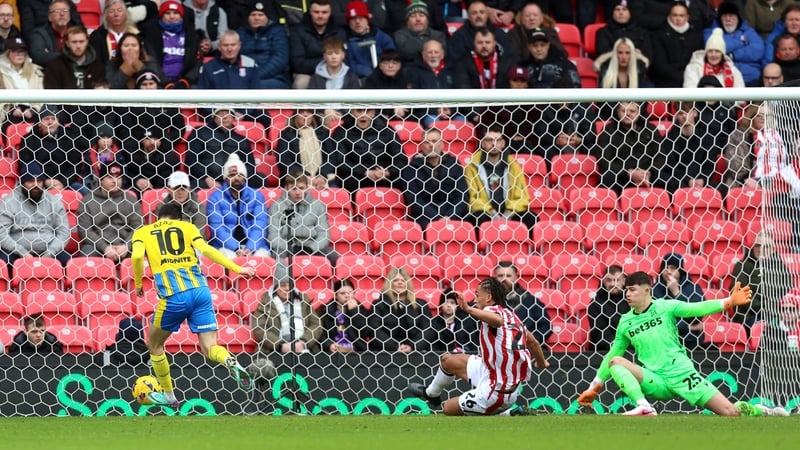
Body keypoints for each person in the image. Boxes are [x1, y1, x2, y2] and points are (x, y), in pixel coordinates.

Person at [576, 271, 789, 416]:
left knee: (730, 413)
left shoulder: (666, 307)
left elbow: (696, 308)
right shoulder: (625, 321)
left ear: (646, 290)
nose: (627, 294)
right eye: (627, 290)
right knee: (616, 361)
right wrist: (595, 386)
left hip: (682, 374)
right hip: (656, 380)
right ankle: (643, 407)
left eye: (632, 289)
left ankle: (759, 410)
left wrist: (729, 302)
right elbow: (613, 352)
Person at [131, 202, 257, 407]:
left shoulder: (143, 232)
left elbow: (136, 256)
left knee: (154, 345)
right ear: (179, 219)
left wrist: (138, 284)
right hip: (201, 292)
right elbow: (207, 250)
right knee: (209, 347)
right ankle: (229, 361)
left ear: (157, 217)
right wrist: (237, 268)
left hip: (174, 296)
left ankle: (169, 396)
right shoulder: (188, 227)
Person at [408, 277, 549, 416]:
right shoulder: (511, 315)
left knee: (448, 409)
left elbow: (497, 321)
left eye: (477, 295)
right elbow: (533, 342)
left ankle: (509, 413)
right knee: (448, 360)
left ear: (488, 297)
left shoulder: (493, 313)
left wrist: (468, 309)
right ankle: (431, 393)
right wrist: (541, 362)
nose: (474, 299)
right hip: (491, 371)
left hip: (497, 392)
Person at [464, 125, 536, 230]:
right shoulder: (472, 166)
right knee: (478, 218)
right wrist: (491, 212)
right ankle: (484, 246)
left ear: (503, 143)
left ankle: (523, 246)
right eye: (489, 140)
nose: (494, 144)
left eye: (497, 140)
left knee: (531, 218)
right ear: (483, 144)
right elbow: (472, 197)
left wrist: (509, 212)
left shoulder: (513, 166)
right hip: (485, 211)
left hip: (508, 211)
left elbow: (523, 196)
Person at [0, 163, 70, 266]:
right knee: (4, 263)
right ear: (22, 183)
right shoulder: (9, 201)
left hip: (49, 250)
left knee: (70, 263)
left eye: (39, 181)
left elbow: (64, 233)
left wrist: (50, 252)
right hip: (16, 251)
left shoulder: (53, 201)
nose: (36, 185)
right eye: (31, 181)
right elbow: (2, 234)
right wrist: (22, 253)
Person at [401, 128, 468, 230]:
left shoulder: (454, 164)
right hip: (425, 217)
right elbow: (414, 199)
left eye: (434, 141)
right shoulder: (411, 168)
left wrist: (449, 216)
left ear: (442, 144)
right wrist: (436, 218)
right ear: (421, 145)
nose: (431, 145)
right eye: (427, 142)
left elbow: (463, 195)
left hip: (452, 215)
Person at [268, 170, 338, 266]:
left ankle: (341, 281)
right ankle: (282, 281)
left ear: (307, 188)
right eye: (293, 189)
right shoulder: (276, 206)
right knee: (276, 259)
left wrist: (311, 248)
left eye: (301, 188)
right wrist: (291, 248)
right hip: (286, 247)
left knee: (335, 257)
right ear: (286, 189)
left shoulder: (317, 205)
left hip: (312, 246)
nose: (297, 192)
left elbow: (324, 235)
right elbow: (273, 236)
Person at [206, 153, 270, 259]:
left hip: (254, 245)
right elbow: (217, 228)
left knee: (261, 258)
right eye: (231, 175)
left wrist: (250, 248)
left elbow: (260, 225)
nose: (236, 178)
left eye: (240, 175)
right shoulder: (215, 198)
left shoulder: (256, 196)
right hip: (225, 246)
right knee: (230, 259)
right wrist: (236, 249)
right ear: (225, 178)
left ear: (244, 177)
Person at [328, 107, 405, 193]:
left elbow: (401, 159)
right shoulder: (341, 132)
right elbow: (340, 162)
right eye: (359, 111)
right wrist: (366, 172)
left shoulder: (387, 130)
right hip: (358, 177)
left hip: (385, 176)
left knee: (406, 178)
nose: (363, 115)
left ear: (373, 113)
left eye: (367, 111)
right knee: (349, 181)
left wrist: (387, 172)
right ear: (352, 112)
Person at [77, 162, 142, 262]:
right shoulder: (87, 201)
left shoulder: (130, 200)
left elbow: (138, 226)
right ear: (101, 179)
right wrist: (105, 247)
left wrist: (127, 245)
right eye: (110, 177)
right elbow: (85, 231)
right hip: (99, 247)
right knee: (87, 252)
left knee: (146, 250)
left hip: (125, 245)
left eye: (118, 177)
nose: (115, 181)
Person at [593, 101, 662, 194]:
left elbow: (661, 155)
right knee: (608, 178)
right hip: (621, 177)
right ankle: (609, 208)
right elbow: (603, 161)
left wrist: (649, 172)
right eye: (623, 111)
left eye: (632, 111)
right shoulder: (608, 131)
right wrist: (628, 173)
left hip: (648, 175)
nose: (628, 114)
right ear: (617, 111)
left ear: (639, 112)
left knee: (669, 179)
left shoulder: (650, 129)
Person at [251, 264, 322, 353]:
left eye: (290, 285)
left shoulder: (303, 301)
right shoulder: (265, 304)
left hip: (305, 349)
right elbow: (259, 329)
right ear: (276, 288)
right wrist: (280, 345)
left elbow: (316, 325)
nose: (288, 288)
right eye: (283, 285)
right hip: (273, 351)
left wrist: (304, 342)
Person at [185, 107, 261, 190]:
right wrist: (206, 178)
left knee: (258, 179)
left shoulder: (241, 139)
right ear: (214, 117)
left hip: (235, 179)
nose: (224, 117)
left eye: (228, 114)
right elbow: (191, 160)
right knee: (194, 185)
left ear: (233, 118)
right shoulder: (199, 132)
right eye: (220, 114)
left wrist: (238, 178)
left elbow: (250, 165)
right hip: (206, 179)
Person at [18, 106, 90, 191]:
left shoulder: (70, 138)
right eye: (46, 119)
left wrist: (62, 182)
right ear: (39, 123)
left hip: (65, 183)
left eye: (53, 118)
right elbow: (25, 165)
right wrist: (45, 181)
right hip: (37, 184)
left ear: (58, 121)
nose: (50, 122)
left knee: (84, 190)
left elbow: (75, 166)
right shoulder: (28, 140)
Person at [730, 231, 793, 329]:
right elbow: (738, 290)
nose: (761, 249)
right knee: (766, 329)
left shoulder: (781, 268)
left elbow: (788, 291)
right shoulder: (742, 265)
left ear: (773, 249)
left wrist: (776, 310)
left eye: (766, 246)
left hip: (778, 314)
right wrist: (760, 308)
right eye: (757, 245)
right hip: (750, 315)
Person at [138, 0, 201, 88]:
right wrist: (166, 83)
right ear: (161, 16)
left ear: (181, 16)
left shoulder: (191, 36)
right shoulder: (151, 35)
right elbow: (152, 62)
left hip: (186, 83)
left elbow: (197, 63)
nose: (172, 17)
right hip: (159, 82)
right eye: (167, 13)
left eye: (175, 13)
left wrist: (185, 81)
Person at [367, 267, 431, 352]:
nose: (400, 282)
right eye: (396, 280)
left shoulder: (420, 304)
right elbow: (374, 330)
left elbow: (428, 329)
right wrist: (395, 347)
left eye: (403, 280)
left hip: (415, 352)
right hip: (386, 352)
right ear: (389, 283)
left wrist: (412, 346)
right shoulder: (379, 304)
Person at [289, 0, 347, 89]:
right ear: (310, 12)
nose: (320, 16)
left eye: (324, 12)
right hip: (308, 74)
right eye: (316, 12)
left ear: (330, 13)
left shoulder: (339, 32)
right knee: (301, 83)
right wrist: (328, 60)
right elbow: (298, 64)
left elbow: (345, 59)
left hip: (335, 72)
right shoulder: (298, 31)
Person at [703, 2, 764, 86]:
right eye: (724, 16)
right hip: (722, 78)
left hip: (750, 76)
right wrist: (743, 42)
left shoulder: (748, 31)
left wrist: (733, 55)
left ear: (738, 17)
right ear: (720, 19)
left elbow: (758, 50)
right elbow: (719, 45)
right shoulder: (711, 32)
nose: (728, 19)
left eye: (731, 16)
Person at [652, 253, 705, 348]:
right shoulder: (654, 290)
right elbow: (659, 320)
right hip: (663, 340)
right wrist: (689, 327)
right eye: (665, 267)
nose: (668, 271)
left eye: (672, 268)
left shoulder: (693, 288)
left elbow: (696, 316)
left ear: (680, 270)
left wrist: (676, 292)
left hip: (689, 340)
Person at [494, 261, 552, 347]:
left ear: (516, 278)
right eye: (500, 276)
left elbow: (545, 326)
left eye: (508, 276)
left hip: (526, 349)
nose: (504, 279)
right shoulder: (488, 301)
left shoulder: (531, 301)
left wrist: (525, 342)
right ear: (495, 278)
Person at [649, 1, 704, 88]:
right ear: (669, 16)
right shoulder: (659, 35)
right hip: (666, 82)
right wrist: (681, 77)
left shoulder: (696, 35)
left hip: (692, 80)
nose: (678, 18)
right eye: (675, 15)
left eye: (681, 15)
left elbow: (699, 61)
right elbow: (659, 65)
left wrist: (689, 76)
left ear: (687, 17)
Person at [237, 0, 291, 89]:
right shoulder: (240, 33)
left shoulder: (278, 32)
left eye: (260, 15)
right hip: (244, 76)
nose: (256, 18)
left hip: (274, 77)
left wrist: (256, 74)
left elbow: (279, 60)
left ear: (268, 17)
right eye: (253, 15)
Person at [275, 109, 336, 184]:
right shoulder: (286, 135)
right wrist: (305, 176)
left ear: (313, 116)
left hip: (324, 178)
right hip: (296, 179)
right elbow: (284, 161)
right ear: (295, 115)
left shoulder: (323, 133)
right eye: (301, 112)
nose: (305, 115)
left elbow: (332, 157)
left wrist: (321, 175)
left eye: (309, 112)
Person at [446, 1, 513, 65]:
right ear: (468, 16)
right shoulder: (458, 37)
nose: (478, 16)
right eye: (474, 13)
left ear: (487, 15)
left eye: (482, 12)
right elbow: (454, 63)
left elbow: (509, 58)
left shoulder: (499, 35)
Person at [343, 0, 396, 80]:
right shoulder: (346, 41)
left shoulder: (381, 37)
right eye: (353, 19)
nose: (357, 22)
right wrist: (370, 73)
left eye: (361, 18)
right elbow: (350, 64)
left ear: (367, 19)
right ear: (349, 23)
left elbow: (392, 58)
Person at [44, 26, 105, 90]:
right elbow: (51, 94)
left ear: (87, 42)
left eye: (81, 42)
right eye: (74, 42)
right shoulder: (54, 66)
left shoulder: (97, 66)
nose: (78, 46)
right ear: (67, 43)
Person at [0, 36, 43, 127]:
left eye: (22, 51)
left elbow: (42, 96)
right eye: (15, 51)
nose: (19, 54)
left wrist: (33, 110)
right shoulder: (1, 72)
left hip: (32, 111)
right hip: (8, 112)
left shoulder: (36, 72)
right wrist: (12, 109)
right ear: (8, 53)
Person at [320, 279, 371, 353]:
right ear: (336, 295)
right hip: (334, 351)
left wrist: (354, 312)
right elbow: (321, 334)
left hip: (356, 351)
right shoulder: (327, 310)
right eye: (342, 293)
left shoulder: (361, 309)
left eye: (350, 292)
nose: (347, 296)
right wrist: (329, 345)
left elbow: (365, 332)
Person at [423, 288, 478, 353]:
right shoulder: (434, 323)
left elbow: (473, 343)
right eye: (446, 302)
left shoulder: (466, 321)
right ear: (441, 305)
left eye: (452, 303)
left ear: (457, 306)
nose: (449, 305)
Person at [87, 0, 141, 66]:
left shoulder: (136, 34)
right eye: (111, 11)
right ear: (106, 16)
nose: (116, 14)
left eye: (119, 10)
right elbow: (96, 65)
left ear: (126, 14)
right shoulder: (97, 37)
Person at [392, 0, 446, 65]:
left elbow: (442, 54)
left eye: (421, 15)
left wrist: (415, 44)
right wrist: (430, 46)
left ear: (427, 20)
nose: (418, 19)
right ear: (407, 21)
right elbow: (407, 53)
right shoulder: (399, 35)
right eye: (413, 16)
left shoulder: (438, 35)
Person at [589, 265, 628, 352]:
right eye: (609, 280)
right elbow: (601, 335)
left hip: (632, 349)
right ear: (603, 281)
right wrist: (622, 348)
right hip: (605, 352)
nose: (613, 284)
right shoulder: (596, 303)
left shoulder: (631, 300)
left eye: (617, 280)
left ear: (624, 281)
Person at [27, 0, 77, 67]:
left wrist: (50, 55)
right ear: (50, 17)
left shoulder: (77, 33)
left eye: (65, 10)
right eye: (57, 11)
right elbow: (38, 57)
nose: (62, 14)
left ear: (69, 15)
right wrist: (69, 56)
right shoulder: (39, 34)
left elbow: (85, 55)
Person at [157, 171, 207, 236]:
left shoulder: (198, 206)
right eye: (176, 188)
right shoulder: (161, 207)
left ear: (189, 189)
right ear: (169, 190)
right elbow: (160, 233)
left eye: (183, 188)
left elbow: (199, 234)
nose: (180, 192)